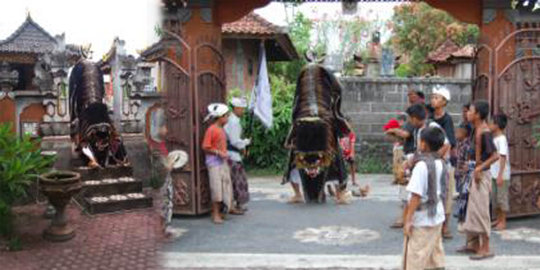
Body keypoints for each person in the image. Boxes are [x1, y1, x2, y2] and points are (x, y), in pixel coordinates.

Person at [402, 126, 447, 270]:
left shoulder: (422, 166)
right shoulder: (440, 162)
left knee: (416, 258)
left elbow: (416, 195)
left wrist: (408, 220)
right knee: (434, 255)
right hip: (437, 215)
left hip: (422, 219)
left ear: (423, 144)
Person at [461, 100, 499, 260]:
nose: (467, 113)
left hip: (482, 176)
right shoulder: (475, 129)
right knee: (472, 210)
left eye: (470, 111)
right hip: (475, 174)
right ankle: (473, 244)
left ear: (477, 115)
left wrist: (478, 168)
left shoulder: (484, 132)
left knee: (482, 211)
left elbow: (495, 156)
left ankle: (486, 248)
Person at [202, 103, 236, 224]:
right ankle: (215, 213)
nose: (227, 118)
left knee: (225, 187)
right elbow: (205, 147)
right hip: (214, 163)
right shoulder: (211, 130)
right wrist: (218, 153)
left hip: (222, 161)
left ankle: (222, 211)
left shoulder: (220, 129)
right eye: (226, 116)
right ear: (220, 117)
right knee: (216, 188)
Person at [429, 86, 456, 239]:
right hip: (432, 159)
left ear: (444, 102)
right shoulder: (431, 118)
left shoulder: (447, 119)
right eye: (432, 97)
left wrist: (438, 156)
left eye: (437, 97)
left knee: (446, 192)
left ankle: (446, 225)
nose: (433, 100)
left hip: (443, 160)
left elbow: (449, 142)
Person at [386, 114, 417, 229]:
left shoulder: (412, 124)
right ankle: (406, 217)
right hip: (409, 156)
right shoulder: (413, 125)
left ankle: (404, 218)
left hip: (411, 156)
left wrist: (394, 130)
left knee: (406, 188)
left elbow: (405, 134)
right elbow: (404, 138)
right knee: (405, 188)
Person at [224, 97, 251, 214]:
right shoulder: (234, 122)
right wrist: (245, 142)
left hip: (231, 153)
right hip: (233, 154)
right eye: (241, 109)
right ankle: (236, 205)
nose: (242, 111)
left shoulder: (231, 120)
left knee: (236, 180)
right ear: (235, 108)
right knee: (238, 180)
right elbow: (235, 141)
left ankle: (235, 204)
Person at [489, 113, 510, 231]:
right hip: (494, 173)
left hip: (501, 175)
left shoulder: (501, 139)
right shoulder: (495, 138)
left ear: (497, 125)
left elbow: (503, 157)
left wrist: (500, 175)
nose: (489, 125)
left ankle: (503, 221)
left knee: (501, 199)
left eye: (491, 123)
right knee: (495, 198)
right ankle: (498, 219)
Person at [454, 122, 473, 231]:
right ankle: (461, 217)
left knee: (464, 196)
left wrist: (463, 172)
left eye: (459, 132)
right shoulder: (459, 143)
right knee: (460, 195)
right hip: (459, 174)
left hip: (464, 175)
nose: (456, 134)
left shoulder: (467, 145)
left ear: (465, 133)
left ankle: (464, 219)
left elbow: (467, 161)